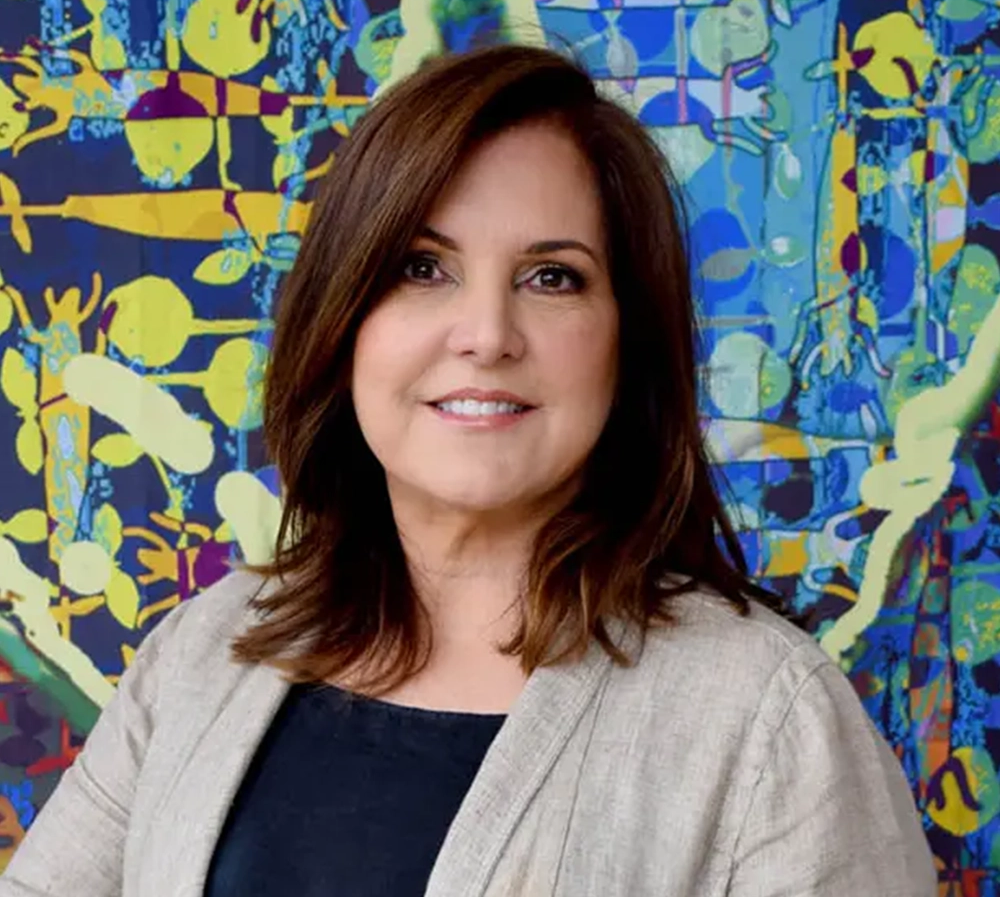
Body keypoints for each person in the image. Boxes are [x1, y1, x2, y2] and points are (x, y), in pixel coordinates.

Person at [1, 44, 936, 897]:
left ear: (627, 342)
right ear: (344, 317)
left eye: (553, 277)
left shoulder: (767, 720)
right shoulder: (205, 653)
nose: (487, 335)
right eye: (421, 268)